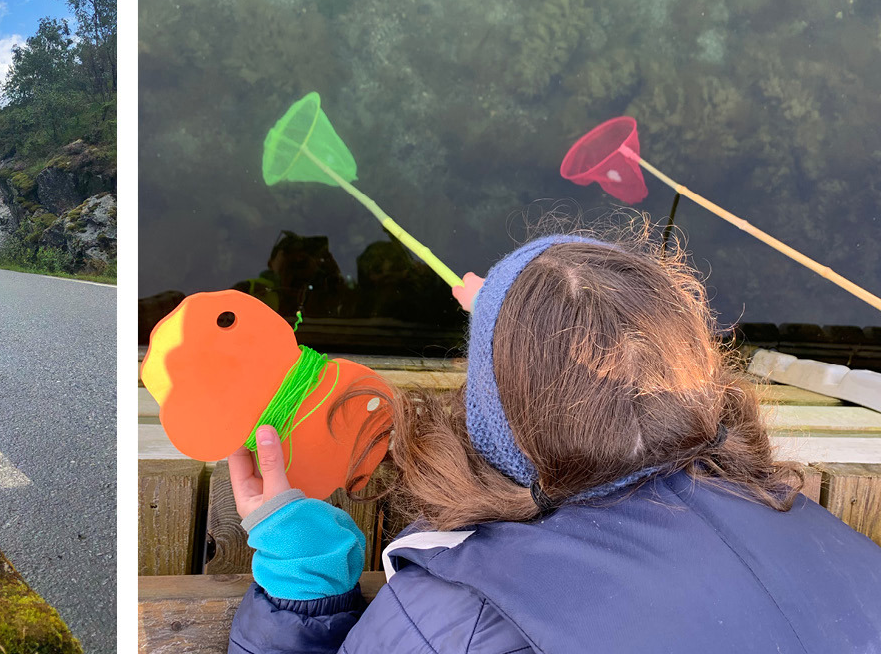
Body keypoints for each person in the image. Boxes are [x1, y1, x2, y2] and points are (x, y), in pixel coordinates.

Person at [227, 230, 881, 654]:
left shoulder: (452, 624)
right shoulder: (819, 534)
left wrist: (302, 591)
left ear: (494, 420)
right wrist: (517, 338)